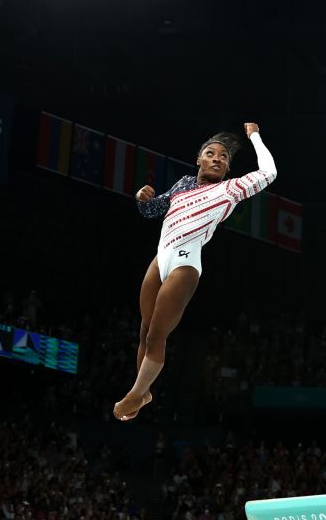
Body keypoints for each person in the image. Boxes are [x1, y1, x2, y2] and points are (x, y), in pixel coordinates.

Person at [114, 122, 277, 421]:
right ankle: (144, 390)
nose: (217, 158)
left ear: (227, 169)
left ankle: (136, 394)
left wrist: (255, 136)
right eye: (211, 153)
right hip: (160, 258)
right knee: (144, 330)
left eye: (224, 157)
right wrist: (141, 198)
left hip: (186, 262)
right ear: (199, 159)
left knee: (156, 336)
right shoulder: (183, 184)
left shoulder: (230, 190)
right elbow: (151, 211)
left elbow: (269, 173)